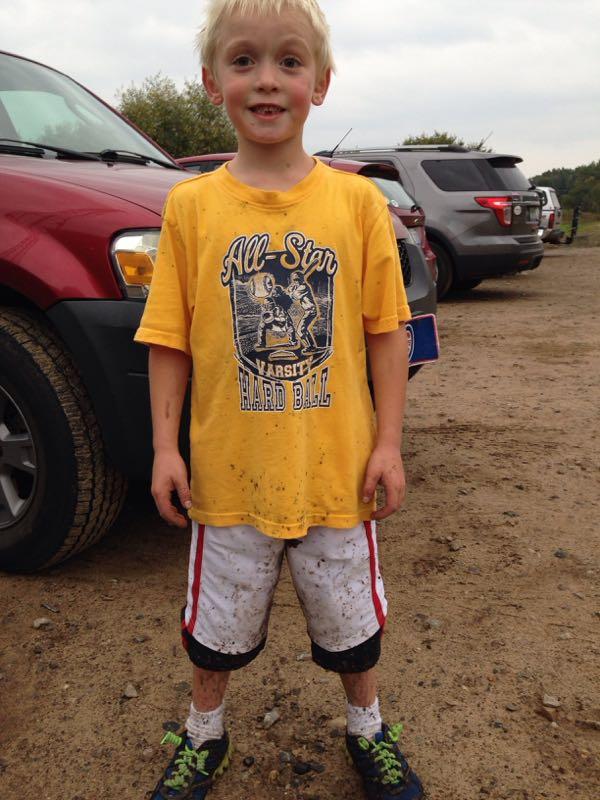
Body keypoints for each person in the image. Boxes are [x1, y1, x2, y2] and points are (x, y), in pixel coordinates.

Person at [134, 1, 424, 798]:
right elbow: (171, 340)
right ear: (211, 81)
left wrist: (389, 443)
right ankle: (204, 734)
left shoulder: (357, 205)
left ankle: (368, 728)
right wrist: (166, 449)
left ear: (320, 83)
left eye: (289, 62)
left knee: (351, 627)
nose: (267, 79)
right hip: (228, 479)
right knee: (215, 631)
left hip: (336, 477)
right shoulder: (190, 208)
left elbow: (386, 334)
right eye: (245, 60)